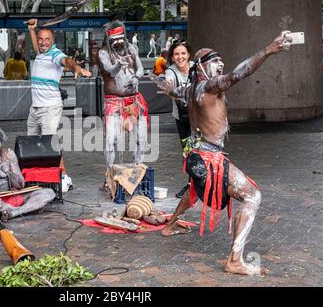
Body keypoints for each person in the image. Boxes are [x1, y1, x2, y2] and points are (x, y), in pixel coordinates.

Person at [159, 32, 292, 275]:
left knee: (195, 188)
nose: (220, 64)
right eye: (214, 61)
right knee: (253, 196)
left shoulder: (190, 89)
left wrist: (167, 88)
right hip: (209, 158)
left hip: (194, 156)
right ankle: (234, 260)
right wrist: (269, 49)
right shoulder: (210, 86)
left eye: (221, 61)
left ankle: (169, 225)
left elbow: (174, 92)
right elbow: (239, 74)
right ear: (200, 66)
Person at [25, 19, 92, 192]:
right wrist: (32, 30)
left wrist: (76, 67)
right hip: (35, 108)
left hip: (50, 108)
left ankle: (63, 177)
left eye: (47, 39)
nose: (43, 42)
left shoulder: (55, 54)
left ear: (52, 41)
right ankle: (39, 176)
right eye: (40, 39)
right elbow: (36, 47)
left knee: (50, 145)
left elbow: (66, 60)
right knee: (32, 144)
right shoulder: (41, 53)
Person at [0, 124, 56, 222]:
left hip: (11, 197)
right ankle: (23, 210)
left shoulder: (8, 154)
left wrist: (7, 173)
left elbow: (20, 184)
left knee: (48, 193)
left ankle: (13, 213)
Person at [98, 20, 148, 170]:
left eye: (121, 38)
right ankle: (110, 175)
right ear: (109, 39)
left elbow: (140, 69)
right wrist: (119, 63)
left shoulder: (131, 48)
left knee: (141, 139)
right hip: (114, 103)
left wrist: (136, 77)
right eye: (115, 40)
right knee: (111, 140)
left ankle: (137, 170)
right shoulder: (103, 53)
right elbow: (110, 71)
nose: (119, 42)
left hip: (134, 101)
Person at [164, 41, 193, 198]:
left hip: (200, 117)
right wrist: (167, 86)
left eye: (183, 53)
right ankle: (191, 185)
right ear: (172, 57)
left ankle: (199, 184)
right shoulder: (171, 71)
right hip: (182, 118)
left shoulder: (197, 67)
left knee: (200, 150)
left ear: (188, 54)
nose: (180, 57)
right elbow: (168, 84)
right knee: (187, 151)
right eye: (176, 54)